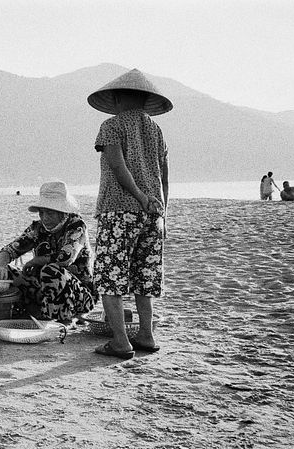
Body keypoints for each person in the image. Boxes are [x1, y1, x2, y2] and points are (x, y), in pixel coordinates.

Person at [87, 68, 171, 359]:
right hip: (152, 215)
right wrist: (161, 209)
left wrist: (139, 196)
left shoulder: (111, 126)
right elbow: (163, 173)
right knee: (144, 277)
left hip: (119, 209)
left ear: (119, 98)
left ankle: (121, 342)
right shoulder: (156, 131)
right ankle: (146, 335)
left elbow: (118, 167)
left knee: (110, 277)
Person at [0, 181, 96, 323]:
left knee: (51, 270)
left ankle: (60, 319)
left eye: (50, 213)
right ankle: (24, 312)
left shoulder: (77, 226)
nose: (44, 217)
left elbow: (65, 258)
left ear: (62, 212)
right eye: (42, 213)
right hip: (43, 290)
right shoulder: (37, 228)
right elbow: (9, 250)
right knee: (6, 273)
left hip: (80, 295)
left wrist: (35, 261)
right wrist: (0, 265)